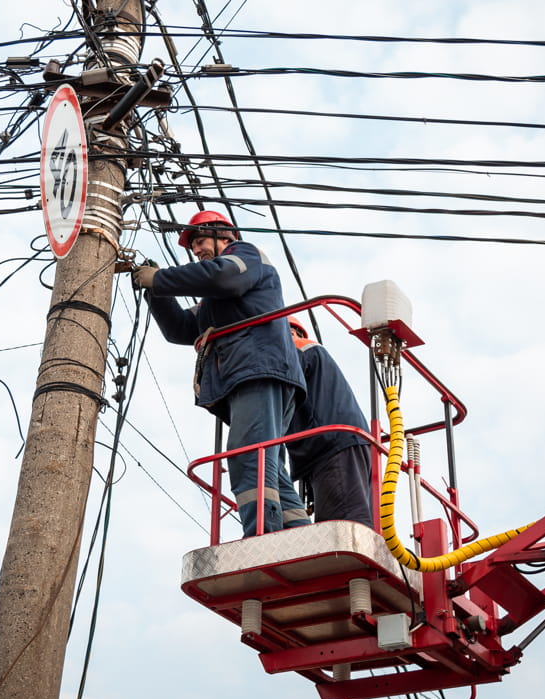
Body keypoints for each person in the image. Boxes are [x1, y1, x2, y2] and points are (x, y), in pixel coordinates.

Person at [132, 210, 309, 536]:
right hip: (253, 373)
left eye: (200, 241)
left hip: (258, 369)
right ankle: (299, 533)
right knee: (268, 464)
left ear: (224, 236)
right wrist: (154, 288)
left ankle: (262, 537)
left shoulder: (246, 255)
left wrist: (161, 279)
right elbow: (180, 328)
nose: (196, 250)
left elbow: (223, 277)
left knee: (246, 457)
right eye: (193, 246)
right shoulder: (220, 302)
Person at [286, 317, 375, 526]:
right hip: (340, 444)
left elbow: (273, 397)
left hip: (332, 446)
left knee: (344, 527)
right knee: (350, 521)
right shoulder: (310, 352)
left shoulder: (295, 349)